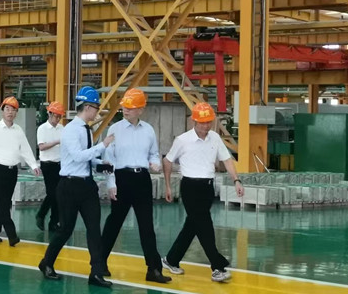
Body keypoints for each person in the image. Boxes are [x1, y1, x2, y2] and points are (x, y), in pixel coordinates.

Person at [39, 86, 115, 288]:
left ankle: (96, 273)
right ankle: (47, 262)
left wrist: (101, 164)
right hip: (69, 186)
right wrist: (103, 146)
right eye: (96, 107)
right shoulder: (71, 130)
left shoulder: (86, 129)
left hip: (87, 185)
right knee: (65, 230)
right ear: (88, 107)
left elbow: (86, 159)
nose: (97, 111)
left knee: (94, 229)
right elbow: (78, 156)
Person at [161, 102, 244, 283]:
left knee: (193, 226)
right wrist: (167, 185)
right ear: (194, 121)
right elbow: (167, 161)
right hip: (190, 187)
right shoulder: (182, 140)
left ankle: (171, 259)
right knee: (205, 226)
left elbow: (227, 160)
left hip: (207, 187)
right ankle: (217, 266)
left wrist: (236, 180)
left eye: (209, 122)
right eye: (202, 122)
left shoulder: (215, 138)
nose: (206, 126)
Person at [101, 88, 171, 283]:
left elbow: (153, 153)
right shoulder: (114, 130)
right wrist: (111, 184)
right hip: (121, 179)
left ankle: (153, 269)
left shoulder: (148, 130)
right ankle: (99, 262)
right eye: (124, 106)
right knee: (114, 223)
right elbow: (108, 159)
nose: (126, 110)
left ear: (141, 109)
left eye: (130, 107)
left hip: (142, 179)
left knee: (147, 225)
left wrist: (155, 163)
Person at [0, 96, 40, 246]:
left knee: (4, 204)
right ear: (2, 111)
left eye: (13, 110)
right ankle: (12, 235)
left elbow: (25, 149)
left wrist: (34, 165)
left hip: (12, 172)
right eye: (7, 109)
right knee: (3, 205)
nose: (10, 112)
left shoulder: (18, 130)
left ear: (16, 113)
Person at [35, 101, 65, 232]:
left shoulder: (62, 128)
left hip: (60, 164)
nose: (57, 119)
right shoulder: (42, 129)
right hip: (47, 164)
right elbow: (41, 147)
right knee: (52, 193)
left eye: (59, 117)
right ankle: (42, 215)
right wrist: (57, 142)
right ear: (50, 114)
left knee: (58, 194)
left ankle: (53, 221)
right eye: (56, 116)